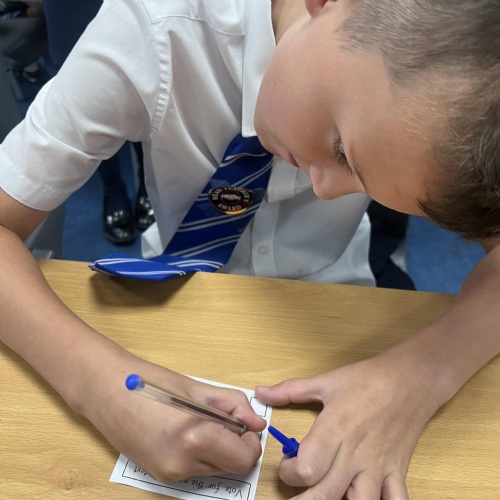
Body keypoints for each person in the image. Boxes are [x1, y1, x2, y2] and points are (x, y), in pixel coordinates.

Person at [0, 0, 499, 498]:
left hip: (342, 314)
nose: (325, 191)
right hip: (167, 303)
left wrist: (419, 377)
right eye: (343, 151)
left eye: (368, 185)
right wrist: (103, 390)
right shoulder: (154, 26)